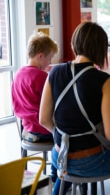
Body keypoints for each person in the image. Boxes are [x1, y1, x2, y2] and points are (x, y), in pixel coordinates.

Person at [39, 22, 110, 195]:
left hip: (59, 155)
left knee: (65, 160)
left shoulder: (54, 72)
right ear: (100, 49)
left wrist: (64, 137)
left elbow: (43, 120)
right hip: (89, 160)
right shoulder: (104, 80)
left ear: (74, 43)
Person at [11, 32, 58, 181]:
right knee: (68, 135)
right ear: (40, 56)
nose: (49, 63)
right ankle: (56, 175)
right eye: (49, 58)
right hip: (43, 130)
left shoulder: (18, 74)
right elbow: (56, 103)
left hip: (27, 129)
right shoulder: (42, 77)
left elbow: (15, 105)